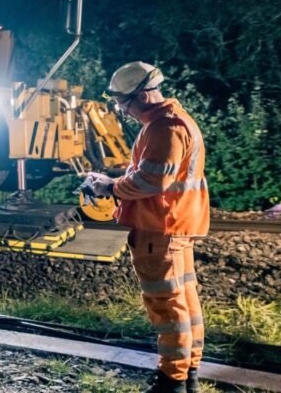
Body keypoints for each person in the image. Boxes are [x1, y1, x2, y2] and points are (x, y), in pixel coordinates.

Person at [86, 62, 209, 393]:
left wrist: (110, 187)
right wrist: (115, 180)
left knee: (166, 306)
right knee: (184, 302)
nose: (120, 109)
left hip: (160, 229)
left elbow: (151, 181)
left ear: (141, 95)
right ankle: (188, 373)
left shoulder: (162, 128)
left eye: (122, 102)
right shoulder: (175, 120)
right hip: (175, 225)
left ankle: (172, 382)